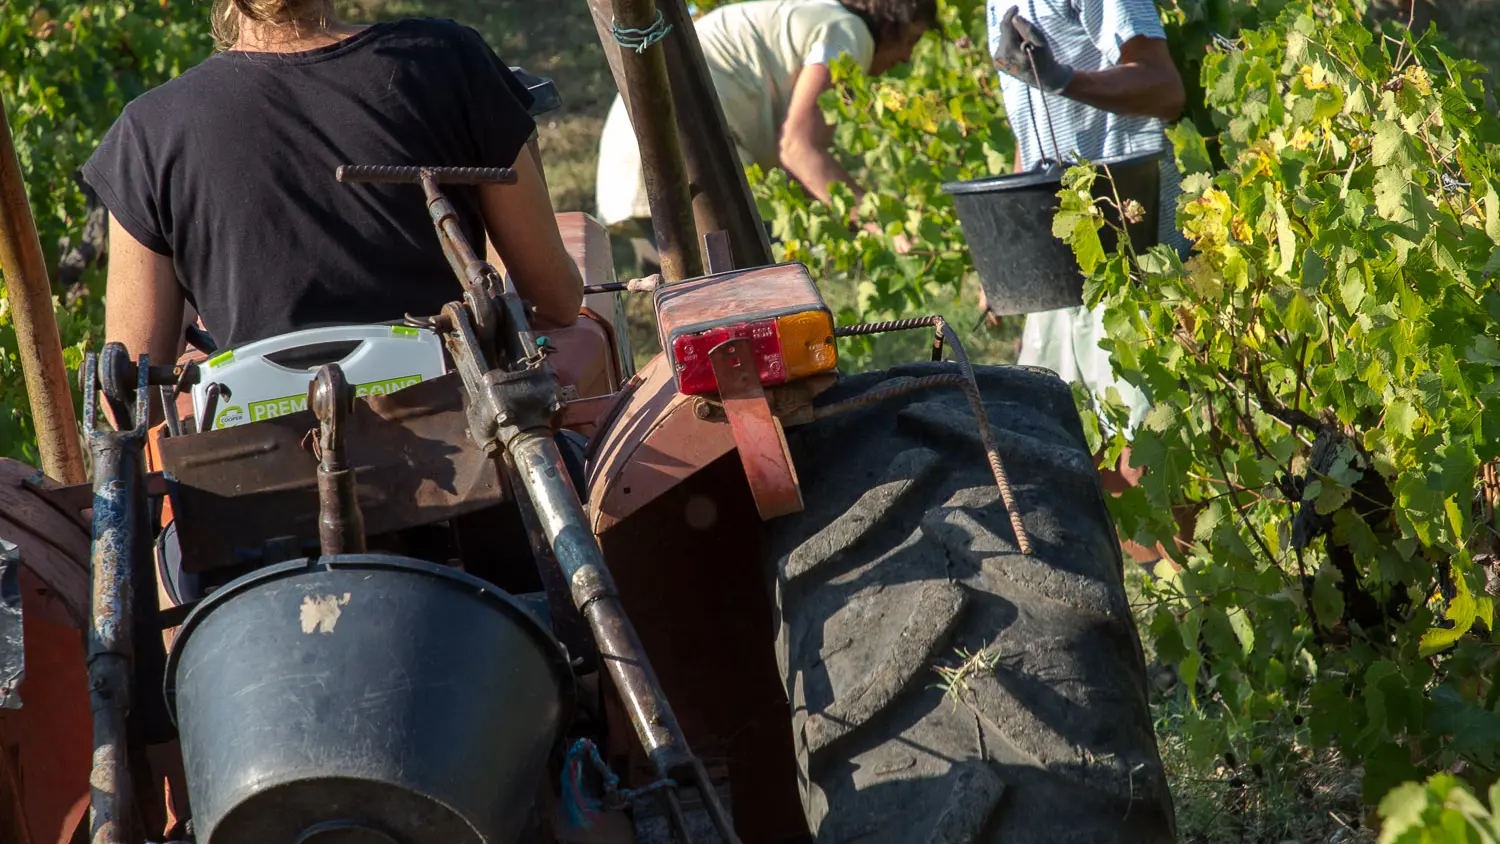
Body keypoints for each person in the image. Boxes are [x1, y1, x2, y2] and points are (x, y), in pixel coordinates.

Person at [84, 0, 585, 373]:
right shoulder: (447, 60)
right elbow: (556, 300)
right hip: (467, 444)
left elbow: (130, 397)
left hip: (257, 487)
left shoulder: (148, 133)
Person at [986, 0, 1187, 560]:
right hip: (1059, 256)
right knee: (1066, 443)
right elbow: (1034, 130)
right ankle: (1140, 611)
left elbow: (1164, 89)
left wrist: (1064, 79)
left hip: (1133, 247)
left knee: (1146, 454)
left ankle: (1191, 610)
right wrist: (1008, 247)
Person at [594, 0, 936, 272]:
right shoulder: (849, 31)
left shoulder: (812, 14)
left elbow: (799, 168)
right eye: (912, 40)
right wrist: (882, 223)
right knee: (745, 316)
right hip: (684, 152)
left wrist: (843, 215)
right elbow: (800, 150)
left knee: (690, 324)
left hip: (637, 150)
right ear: (892, 21)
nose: (907, 57)